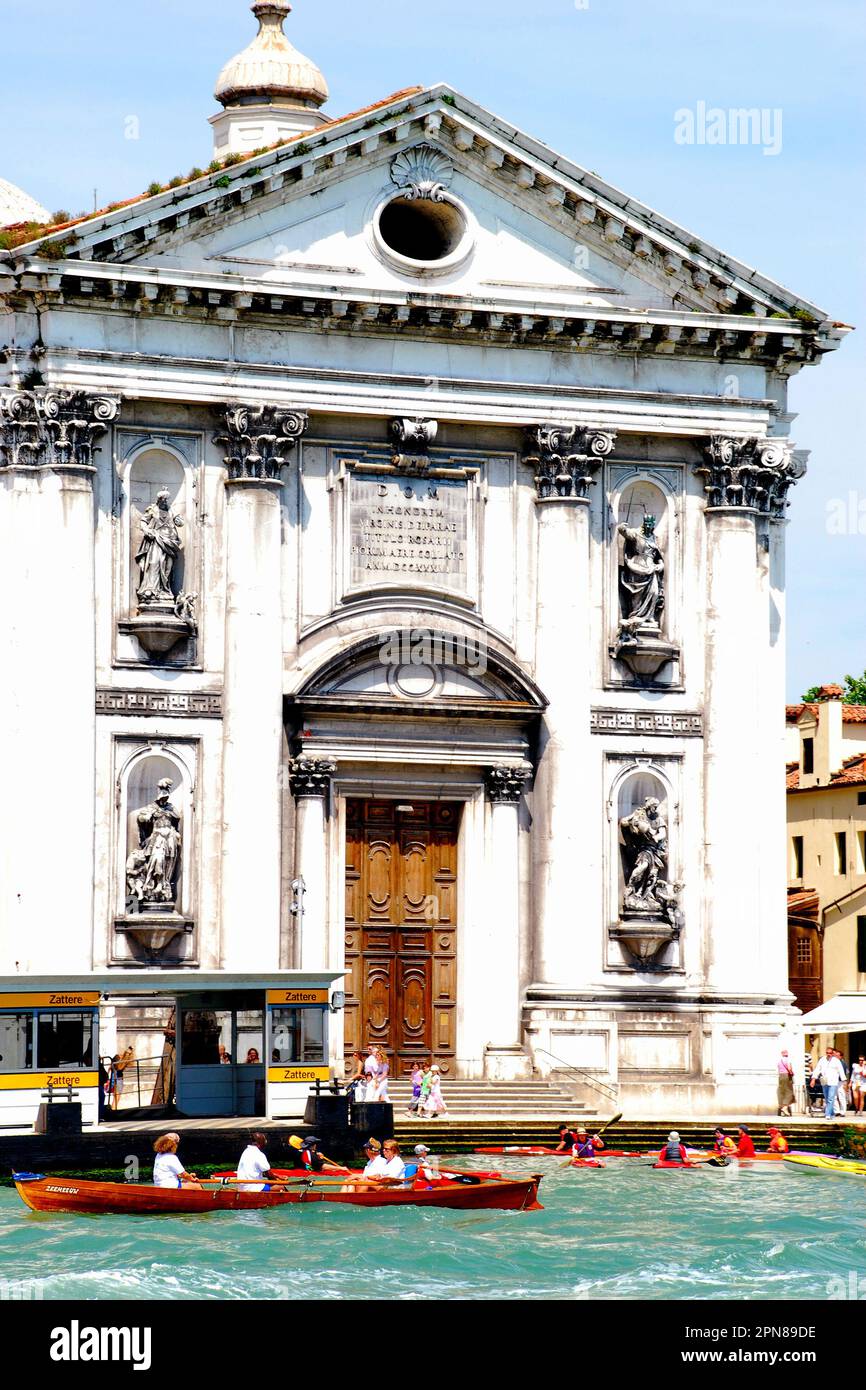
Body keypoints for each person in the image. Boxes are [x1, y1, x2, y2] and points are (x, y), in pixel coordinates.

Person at [811, 1047, 847, 1119]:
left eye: (830, 1053)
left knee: (831, 1098)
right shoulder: (822, 1060)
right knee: (827, 1098)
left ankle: (827, 1114)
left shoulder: (836, 1061)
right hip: (824, 1081)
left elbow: (841, 1071)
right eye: (827, 1053)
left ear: (832, 1053)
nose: (828, 1054)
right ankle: (832, 1113)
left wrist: (844, 1082)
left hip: (833, 1082)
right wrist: (813, 1079)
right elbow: (817, 1069)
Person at [777, 1048, 795, 1117]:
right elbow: (789, 1068)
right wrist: (791, 1073)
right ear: (787, 1054)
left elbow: (778, 1068)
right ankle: (785, 1108)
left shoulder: (779, 1060)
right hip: (787, 1075)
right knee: (789, 1092)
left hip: (781, 1076)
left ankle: (782, 1107)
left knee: (782, 1092)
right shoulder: (788, 1059)